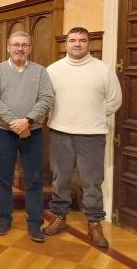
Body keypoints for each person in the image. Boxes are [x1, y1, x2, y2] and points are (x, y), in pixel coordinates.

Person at [42, 27, 122, 247]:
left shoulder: (103, 70)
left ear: (89, 44)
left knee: (92, 181)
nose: (77, 44)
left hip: (92, 135)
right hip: (60, 133)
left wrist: (93, 114)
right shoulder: (53, 70)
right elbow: (45, 100)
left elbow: (114, 101)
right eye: (73, 40)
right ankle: (59, 218)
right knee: (61, 179)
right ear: (65, 44)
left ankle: (94, 223)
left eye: (82, 40)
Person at [0, 31, 53, 242]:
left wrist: (28, 121)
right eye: (16, 44)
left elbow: (46, 98)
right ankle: (4, 218)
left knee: (34, 180)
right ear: (8, 47)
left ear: (30, 48)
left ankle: (34, 223)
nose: (20, 48)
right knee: (3, 178)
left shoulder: (40, 71)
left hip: (32, 133)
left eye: (24, 45)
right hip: (4, 133)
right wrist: (16, 123)